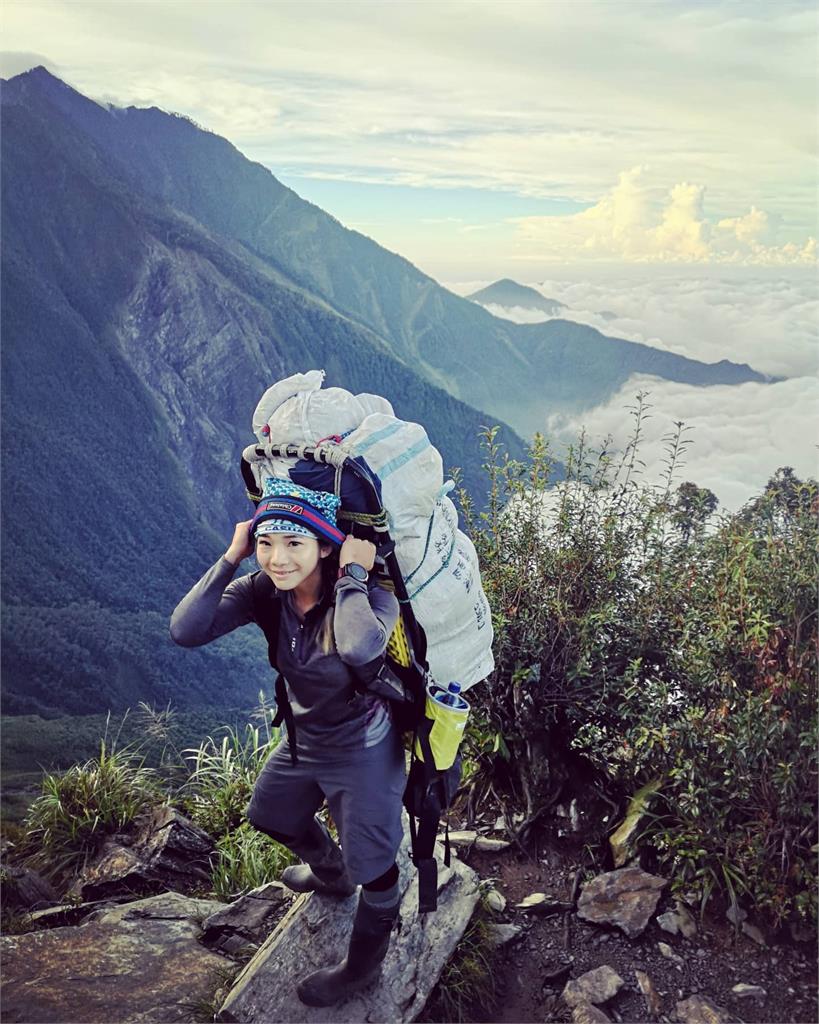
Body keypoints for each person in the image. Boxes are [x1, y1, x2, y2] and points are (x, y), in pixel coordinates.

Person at [170, 479, 405, 1007]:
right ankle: (332, 872)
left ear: (327, 544)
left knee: (379, 870)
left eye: (294, 544)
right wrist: (233, 555)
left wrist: (351, 575)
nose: (276, 559)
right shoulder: (262, 592)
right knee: (271, 814)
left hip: (363, 745)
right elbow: (185, 630)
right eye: (267, 542)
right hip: (306, 736)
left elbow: (361, 647)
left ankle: (362, 968)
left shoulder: (374, 593)